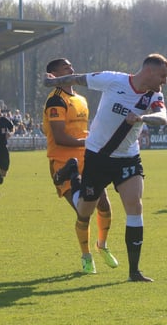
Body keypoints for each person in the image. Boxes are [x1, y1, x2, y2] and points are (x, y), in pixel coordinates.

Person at [44, 53, 167, 282]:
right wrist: (52, 82)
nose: (165, 81)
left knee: (135, 207)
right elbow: (80, 78)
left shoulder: (154, 95)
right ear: (150, 71)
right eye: (163, 76)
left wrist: (143, 119)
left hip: (128, 157)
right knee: (85, 213)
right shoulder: (114, 80)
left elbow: (162, 117)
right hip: (97, 156)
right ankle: (73, 176)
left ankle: (134, 271)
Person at [42, 58, 117, 274]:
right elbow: (59, 137)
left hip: (88, 159)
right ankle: (86, 256)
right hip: (63, 161)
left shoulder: (81, 99)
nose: (71, 69)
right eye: (65, 68)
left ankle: (102, 246)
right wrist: (89, 141)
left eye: (71, 66)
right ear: (54, 75)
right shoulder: (56, 100)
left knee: (104, 204)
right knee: (84, 211)